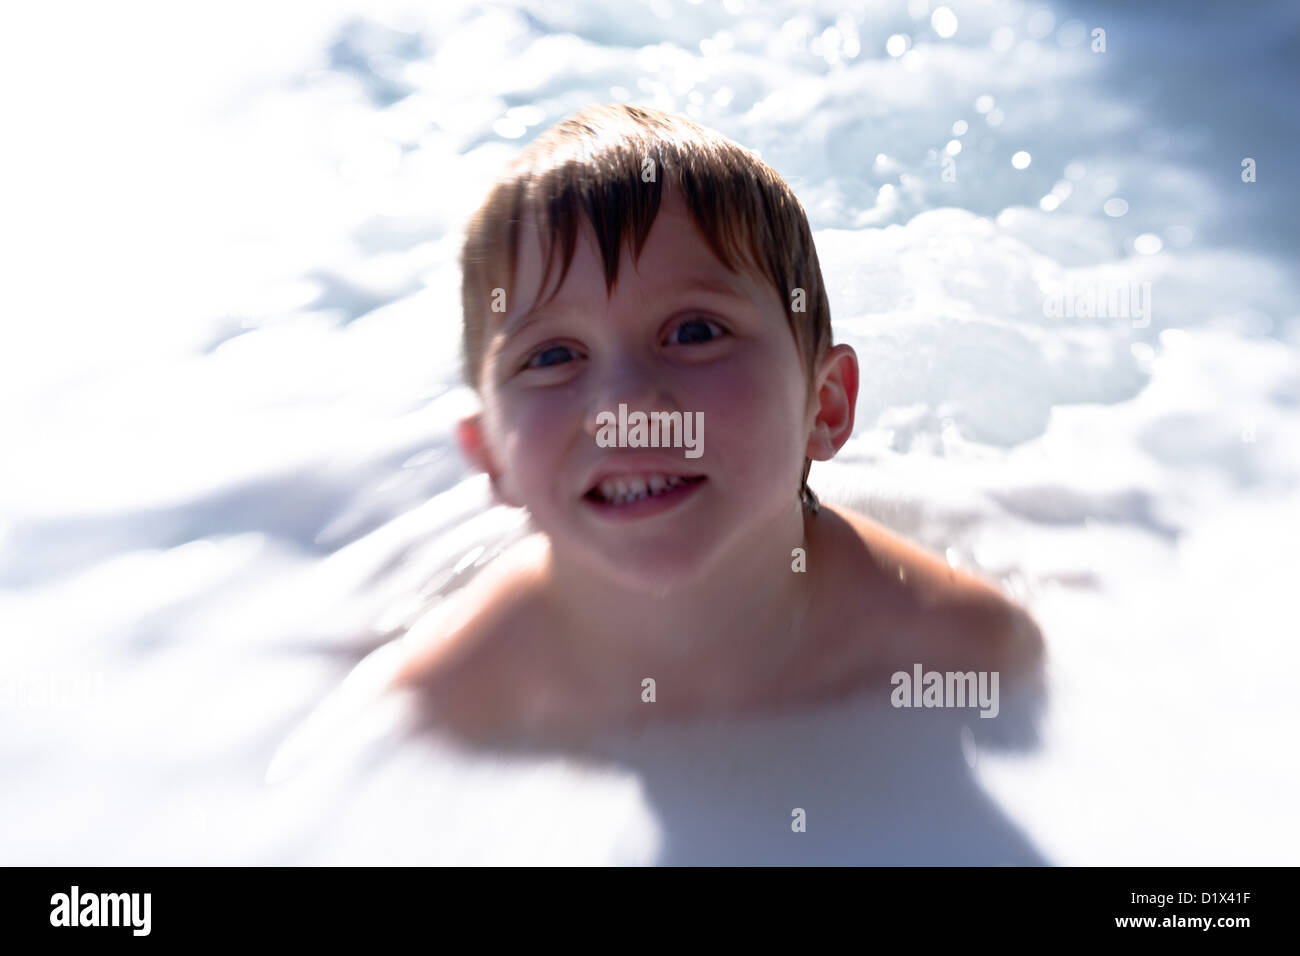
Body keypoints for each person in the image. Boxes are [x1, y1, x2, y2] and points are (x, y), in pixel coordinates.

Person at [387, 104, 1043, 749]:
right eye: (553, 356)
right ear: (492, 456)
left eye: (694, 332)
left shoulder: (958, 650)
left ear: (826, 405)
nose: (625, 409)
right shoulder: (455, 697)